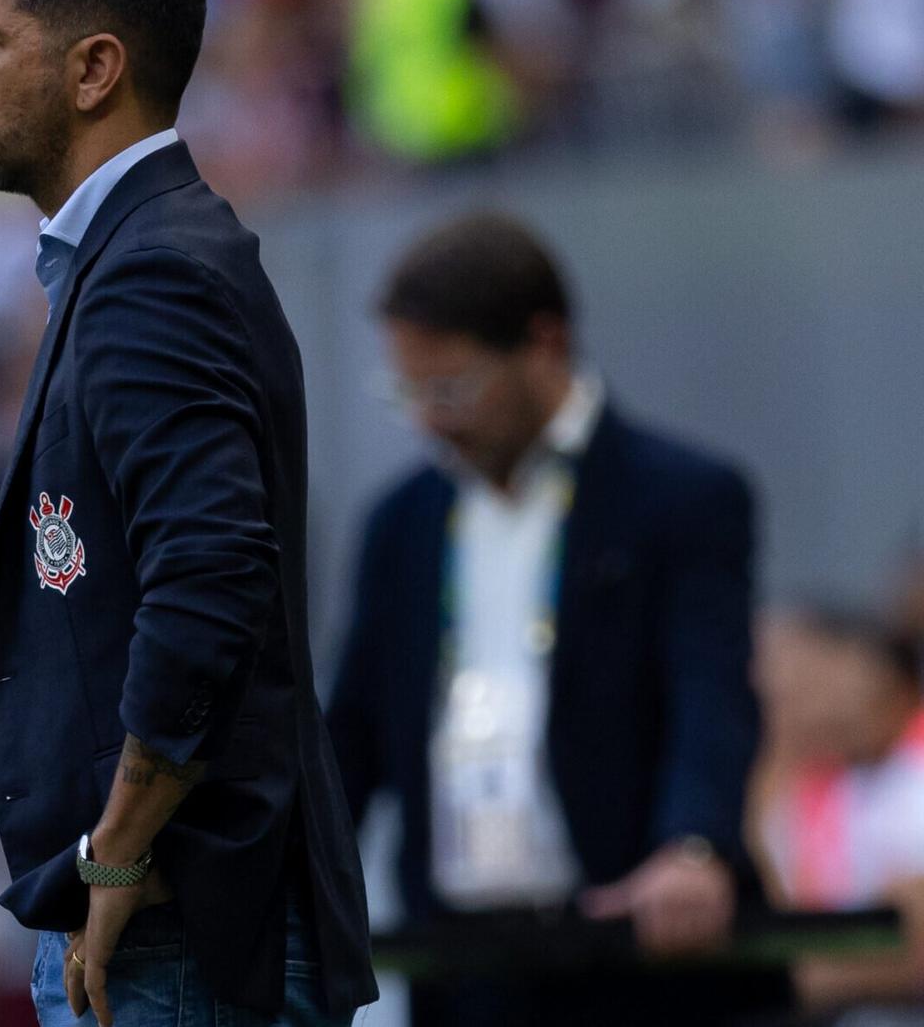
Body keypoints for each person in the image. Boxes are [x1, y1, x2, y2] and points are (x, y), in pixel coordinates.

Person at [0, 0, 378, 1027]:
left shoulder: (154, 272)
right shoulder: (134, 256)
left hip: (174, 934)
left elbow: (209, 579)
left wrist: (118, 854)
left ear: (94, 70)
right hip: (158, 927)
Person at [327, 212, 768, 1026]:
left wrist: (694, 846)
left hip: (629, 946)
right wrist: (287, 879)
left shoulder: (681, 497)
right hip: (459, 961)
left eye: (452, 388)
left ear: (544, 342)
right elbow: (351, 732)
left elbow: (711, 692)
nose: (430, 418)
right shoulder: (401, 522)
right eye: (409, 393)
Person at [752, 602, 924, 1015]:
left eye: (807, 673)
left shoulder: (910, 770)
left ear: (874, 671)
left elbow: (911, 952)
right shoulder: (818, 776)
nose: (786, 694)